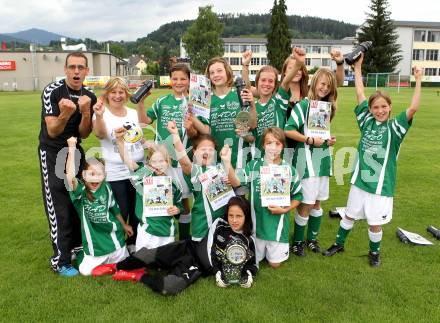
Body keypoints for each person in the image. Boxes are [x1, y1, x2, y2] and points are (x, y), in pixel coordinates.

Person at [323, 55, 423, 267]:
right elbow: (360, 93)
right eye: (375, 107)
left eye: (383, 107)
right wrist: (357, 68)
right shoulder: (367, 123)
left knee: (375, 223)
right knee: (348, 216)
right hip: (360, 182)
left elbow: (413, 108)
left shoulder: (395, 128)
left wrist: (418, 79)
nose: (379, 110)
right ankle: (339, 244)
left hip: (380, 187)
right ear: (370, 110)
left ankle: (374, 253)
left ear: (390, 107)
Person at [92, 196, 258, 295]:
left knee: (170, 287)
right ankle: (115, 266)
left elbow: (253, 264)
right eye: (231, 215)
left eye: (239, 216)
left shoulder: (248, 239)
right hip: (188, 249)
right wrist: (217, 272)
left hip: (195, 266)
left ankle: (136, 276)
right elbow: (208, 250)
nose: (234, 220)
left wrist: (249, 275)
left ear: (246, 217)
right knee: (148, 255)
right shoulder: (220, 224)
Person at [38, 52, 97, 276]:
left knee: (78, 199)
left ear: (86, 71)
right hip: (52, 151)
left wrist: (84, 112)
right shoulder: (52, 91)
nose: (76, 71)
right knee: (58, 203)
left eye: (80, 67)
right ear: (65, 70)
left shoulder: (89, 95)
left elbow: (85, 132)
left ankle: (78, 248)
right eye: (72, 67)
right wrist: (64, 113)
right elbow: (52, 131)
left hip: (75, 148)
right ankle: (60, 259)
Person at [284, 48, 338, 256]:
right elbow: (288, 129)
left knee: (317, 202)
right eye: (322, 83)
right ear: (315, 83)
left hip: (322, 159)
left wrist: (328, 141)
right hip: (305, 162)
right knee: (305, 203)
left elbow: (322, 135)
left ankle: (311, 240)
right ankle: (297, 242)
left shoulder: (325, 107)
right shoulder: (304, 105)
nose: (325, 88)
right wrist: (309, 139)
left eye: (328, 85)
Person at [223, 127, 303, 268]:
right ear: (263, 145)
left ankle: (276, 247)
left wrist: (284, 210)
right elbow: (236, 181)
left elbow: (298, 196)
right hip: (256, 228)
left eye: (277, 143)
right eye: (269, 143)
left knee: (274, 264)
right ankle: (257, 244)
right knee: (255, 260)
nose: (273, 148)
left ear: (283, 146)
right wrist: (227, 162)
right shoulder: (254, 165)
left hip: (278, 228)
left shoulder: (289, 170)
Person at [136, 64, 195, 240]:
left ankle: (184, 241)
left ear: (189, 80)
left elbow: (195, 133)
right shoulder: (162, 102)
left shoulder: (192, 103)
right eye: (175, 78)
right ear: (170, 80)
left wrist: (190, 128)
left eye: (183, 78)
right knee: (159, 198)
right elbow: (144, 120)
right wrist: (140, 103)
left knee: (183, 202)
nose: (179, 82)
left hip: (181, 163)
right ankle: (158, 238)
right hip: (161, 163)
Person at [65, 137, 132, 275]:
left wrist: (124, 225)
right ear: (83, 175)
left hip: (114, 238)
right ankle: (81, 253)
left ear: (104, 175)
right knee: (85, 271)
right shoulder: (81, 192)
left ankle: (111, 264)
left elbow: (114, 208)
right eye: (91, 174)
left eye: (99, 174)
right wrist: (71, 148)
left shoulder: (106, 187)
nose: (96, 178)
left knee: (126, 264)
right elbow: (70, 177)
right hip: (96, 243)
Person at [92, 77, 144, 249]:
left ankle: (134, 245)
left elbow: (139, 138)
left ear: (126, 94)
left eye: (121, 92)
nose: (117, 95)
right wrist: (99, 117)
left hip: (138, 169)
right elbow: (100, 134)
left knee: (138, 210)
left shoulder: (132, 113)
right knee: (121, 210)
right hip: (116, 171)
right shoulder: (101, 114)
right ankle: (118, 246)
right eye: (113, 92)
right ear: (107, 94)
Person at [194, 57, 257, 196]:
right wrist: (192, 115)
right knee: (219, 204)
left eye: (219, 71)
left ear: (227, 72)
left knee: (239, 204)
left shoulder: (239, 94)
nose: (216, 75)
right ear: (209, 77)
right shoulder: (206, 99)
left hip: (238, 158)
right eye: (212, 72)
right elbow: (206, 131)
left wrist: (252, 104)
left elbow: (252, 125)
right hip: (214, 160)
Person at [114, 127, 183, 251]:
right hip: (147, 228)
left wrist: (177, 209)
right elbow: (128, 161)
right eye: (154, 162)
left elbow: (179, 204)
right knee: (143, 261)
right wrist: (120, 141)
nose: (158, 165)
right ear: (149, 163)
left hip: (167, 229)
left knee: (164, 262)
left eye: (161, 161)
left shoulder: (174, 184)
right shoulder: (144, 175)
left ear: (168, 162)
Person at [167, 121, 229, 241]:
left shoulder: (220, 168)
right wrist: (175, 135)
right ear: (195, 151)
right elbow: (184, 162)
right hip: (202, 224)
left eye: (211, 149)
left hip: (222, 222)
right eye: (203, 149)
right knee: (202, 256)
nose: (207, 152)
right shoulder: (195, 170)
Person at [241, 49, 301, 152]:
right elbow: (250, 138)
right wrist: (245, 65)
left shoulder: (279, 101)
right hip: (258, 160)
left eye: (271, 81)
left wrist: (299, 63)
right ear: (257, 82)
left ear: (275, 85)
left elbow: (286, 82)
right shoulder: (250, 107)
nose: (266, 84)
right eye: (263, 80)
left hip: (278, 158)